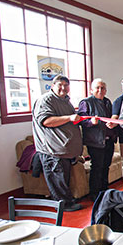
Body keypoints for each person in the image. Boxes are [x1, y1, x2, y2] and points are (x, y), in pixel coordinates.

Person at [32, 75, 83, 212]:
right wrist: (69, 118)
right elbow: (46, 121)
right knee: (57, 178)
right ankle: (63, 205)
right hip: (52, 150)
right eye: (60, 85)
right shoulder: (45, 100)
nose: (63, 88)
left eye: (66, 85)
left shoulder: (66, 101)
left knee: (62, 178)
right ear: (53, 85)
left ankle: (66, 201)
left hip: (64, 150)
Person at [78, 78, 117, 201]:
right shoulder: (86, 102)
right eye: (97, 88)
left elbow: (111, 117)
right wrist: (91, 122)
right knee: (97, 167)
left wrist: (113, 124)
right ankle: (95, 194)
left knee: (106, 166)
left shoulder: (107, 102)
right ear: (91, 90)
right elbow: (80, 120)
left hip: (108, 140)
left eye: (103, 88)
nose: (100, 90)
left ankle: (104, 191)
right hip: (95, 142)